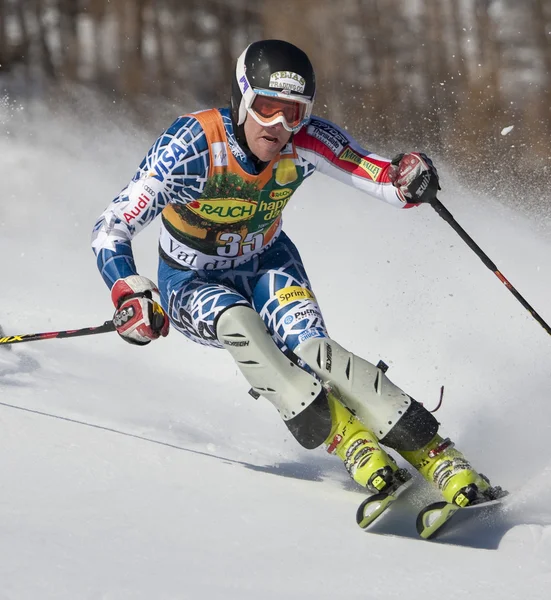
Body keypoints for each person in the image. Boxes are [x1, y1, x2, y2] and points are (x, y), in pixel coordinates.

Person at [92, 39, 501, 517]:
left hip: (268, 262)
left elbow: (375, 174)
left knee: (314, 351)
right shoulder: (192, 147)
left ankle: (440, 457)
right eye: (266, 108)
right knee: (239, 327)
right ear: (241, 98)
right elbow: (112, 225)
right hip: (191, 280)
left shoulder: (305, 139)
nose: (279, 126)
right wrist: (129, 289)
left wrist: (408, 178)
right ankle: (349, 442)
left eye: (294, 112)